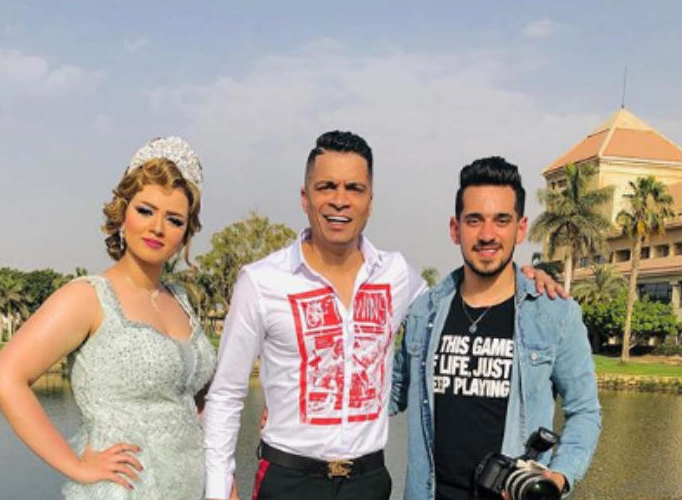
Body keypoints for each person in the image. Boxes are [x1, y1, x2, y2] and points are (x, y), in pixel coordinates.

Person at [203, 132, 564, 500]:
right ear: (305, 197)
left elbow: (459, 301)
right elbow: (227, 395)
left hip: (368, 483)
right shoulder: (262, 282)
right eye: (326, 186)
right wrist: (218, 488)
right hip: (289, 480)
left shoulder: (396, 276)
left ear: (370, 201)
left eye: (354, 188)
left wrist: (523, 279)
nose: (340, 200)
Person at [0, 136, 217, 500]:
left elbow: (197, 401)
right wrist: (75, 465)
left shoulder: (182, 300)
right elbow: (3, 377)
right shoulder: (88, 297)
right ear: (122, 213)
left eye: (174, 220)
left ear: (186, 233)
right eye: (146, 211)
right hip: (123, 490)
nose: (157, 227)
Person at [390, 157, 601, 500]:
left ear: (520, 228)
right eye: (474, 220)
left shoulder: (555, 314)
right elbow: (389, 394)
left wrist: (559, 476)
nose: (487, 235)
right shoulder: (423, 311)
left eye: (501, 220)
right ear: (455, 228)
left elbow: (584, 410)